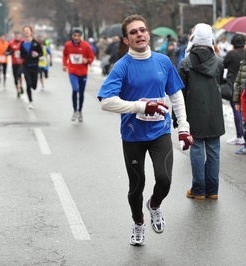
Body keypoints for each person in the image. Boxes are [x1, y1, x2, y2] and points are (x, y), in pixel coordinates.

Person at [97, 14, 193, 246]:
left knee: (165, 179)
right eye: (133, 32)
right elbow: (106, 101)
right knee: (136, 186)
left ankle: (155, 205)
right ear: (126, 40)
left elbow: (176, 95)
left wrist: (184, 127)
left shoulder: (162, 61)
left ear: (148, 34)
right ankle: (138, 221)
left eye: (143, 30)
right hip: (133, 135)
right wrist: (141, 106)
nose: (139, 34)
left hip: (160, 132)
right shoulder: (122, 66)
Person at [177, 23, 225, 201]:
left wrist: (177, 118)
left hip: (193, 113)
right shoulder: (219, 62)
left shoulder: (185, 63)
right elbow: (220, 83)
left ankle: (198, 190)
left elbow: (179, 93)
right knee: (213, 151)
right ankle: (212, 190)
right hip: (214, 114)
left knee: (196, 150)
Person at [62, 28, 94, 122]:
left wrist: (87, 60)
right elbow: (65, 55)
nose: (76, 37)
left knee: (81, 92)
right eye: (75, 35)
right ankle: (75, 110)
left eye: (78, 36)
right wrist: (64, 64)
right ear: (72, 35)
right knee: (75, 89)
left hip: (83, 72)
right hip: (72, 71)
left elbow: (91, 57)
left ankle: (80, 111)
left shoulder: (86, 45)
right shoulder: (68, 45)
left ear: (81, 36)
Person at [224, 33, 246, 145]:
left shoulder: (231, 54)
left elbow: (223, 65)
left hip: (234, 83)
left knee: (236, 109)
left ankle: (240, 135)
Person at [20, 26, 43, 109]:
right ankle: (30, 101)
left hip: (35, 66)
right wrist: (25, 57)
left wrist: (37, 54)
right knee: (28, 84)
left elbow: (41, 53)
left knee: (34, 86)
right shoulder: (22, 44)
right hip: (26, 66)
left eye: (28, 31)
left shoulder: (36, 43)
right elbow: (21, 54)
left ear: (31, 32)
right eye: (25, 31)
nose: (26, 32)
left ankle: (33, 86)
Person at [6, 31, 24, 98]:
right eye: (16, 36)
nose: (17, 37)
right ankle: (18, 91)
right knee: (15, 78)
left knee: (19, 74)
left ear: (20, 36)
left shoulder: (23, 42)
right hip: (14, 62)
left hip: (21, 62)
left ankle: (21, 86)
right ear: (14, 36)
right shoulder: (11, 43)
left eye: (18, 36)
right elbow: (7, 51)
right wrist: (9, 52)